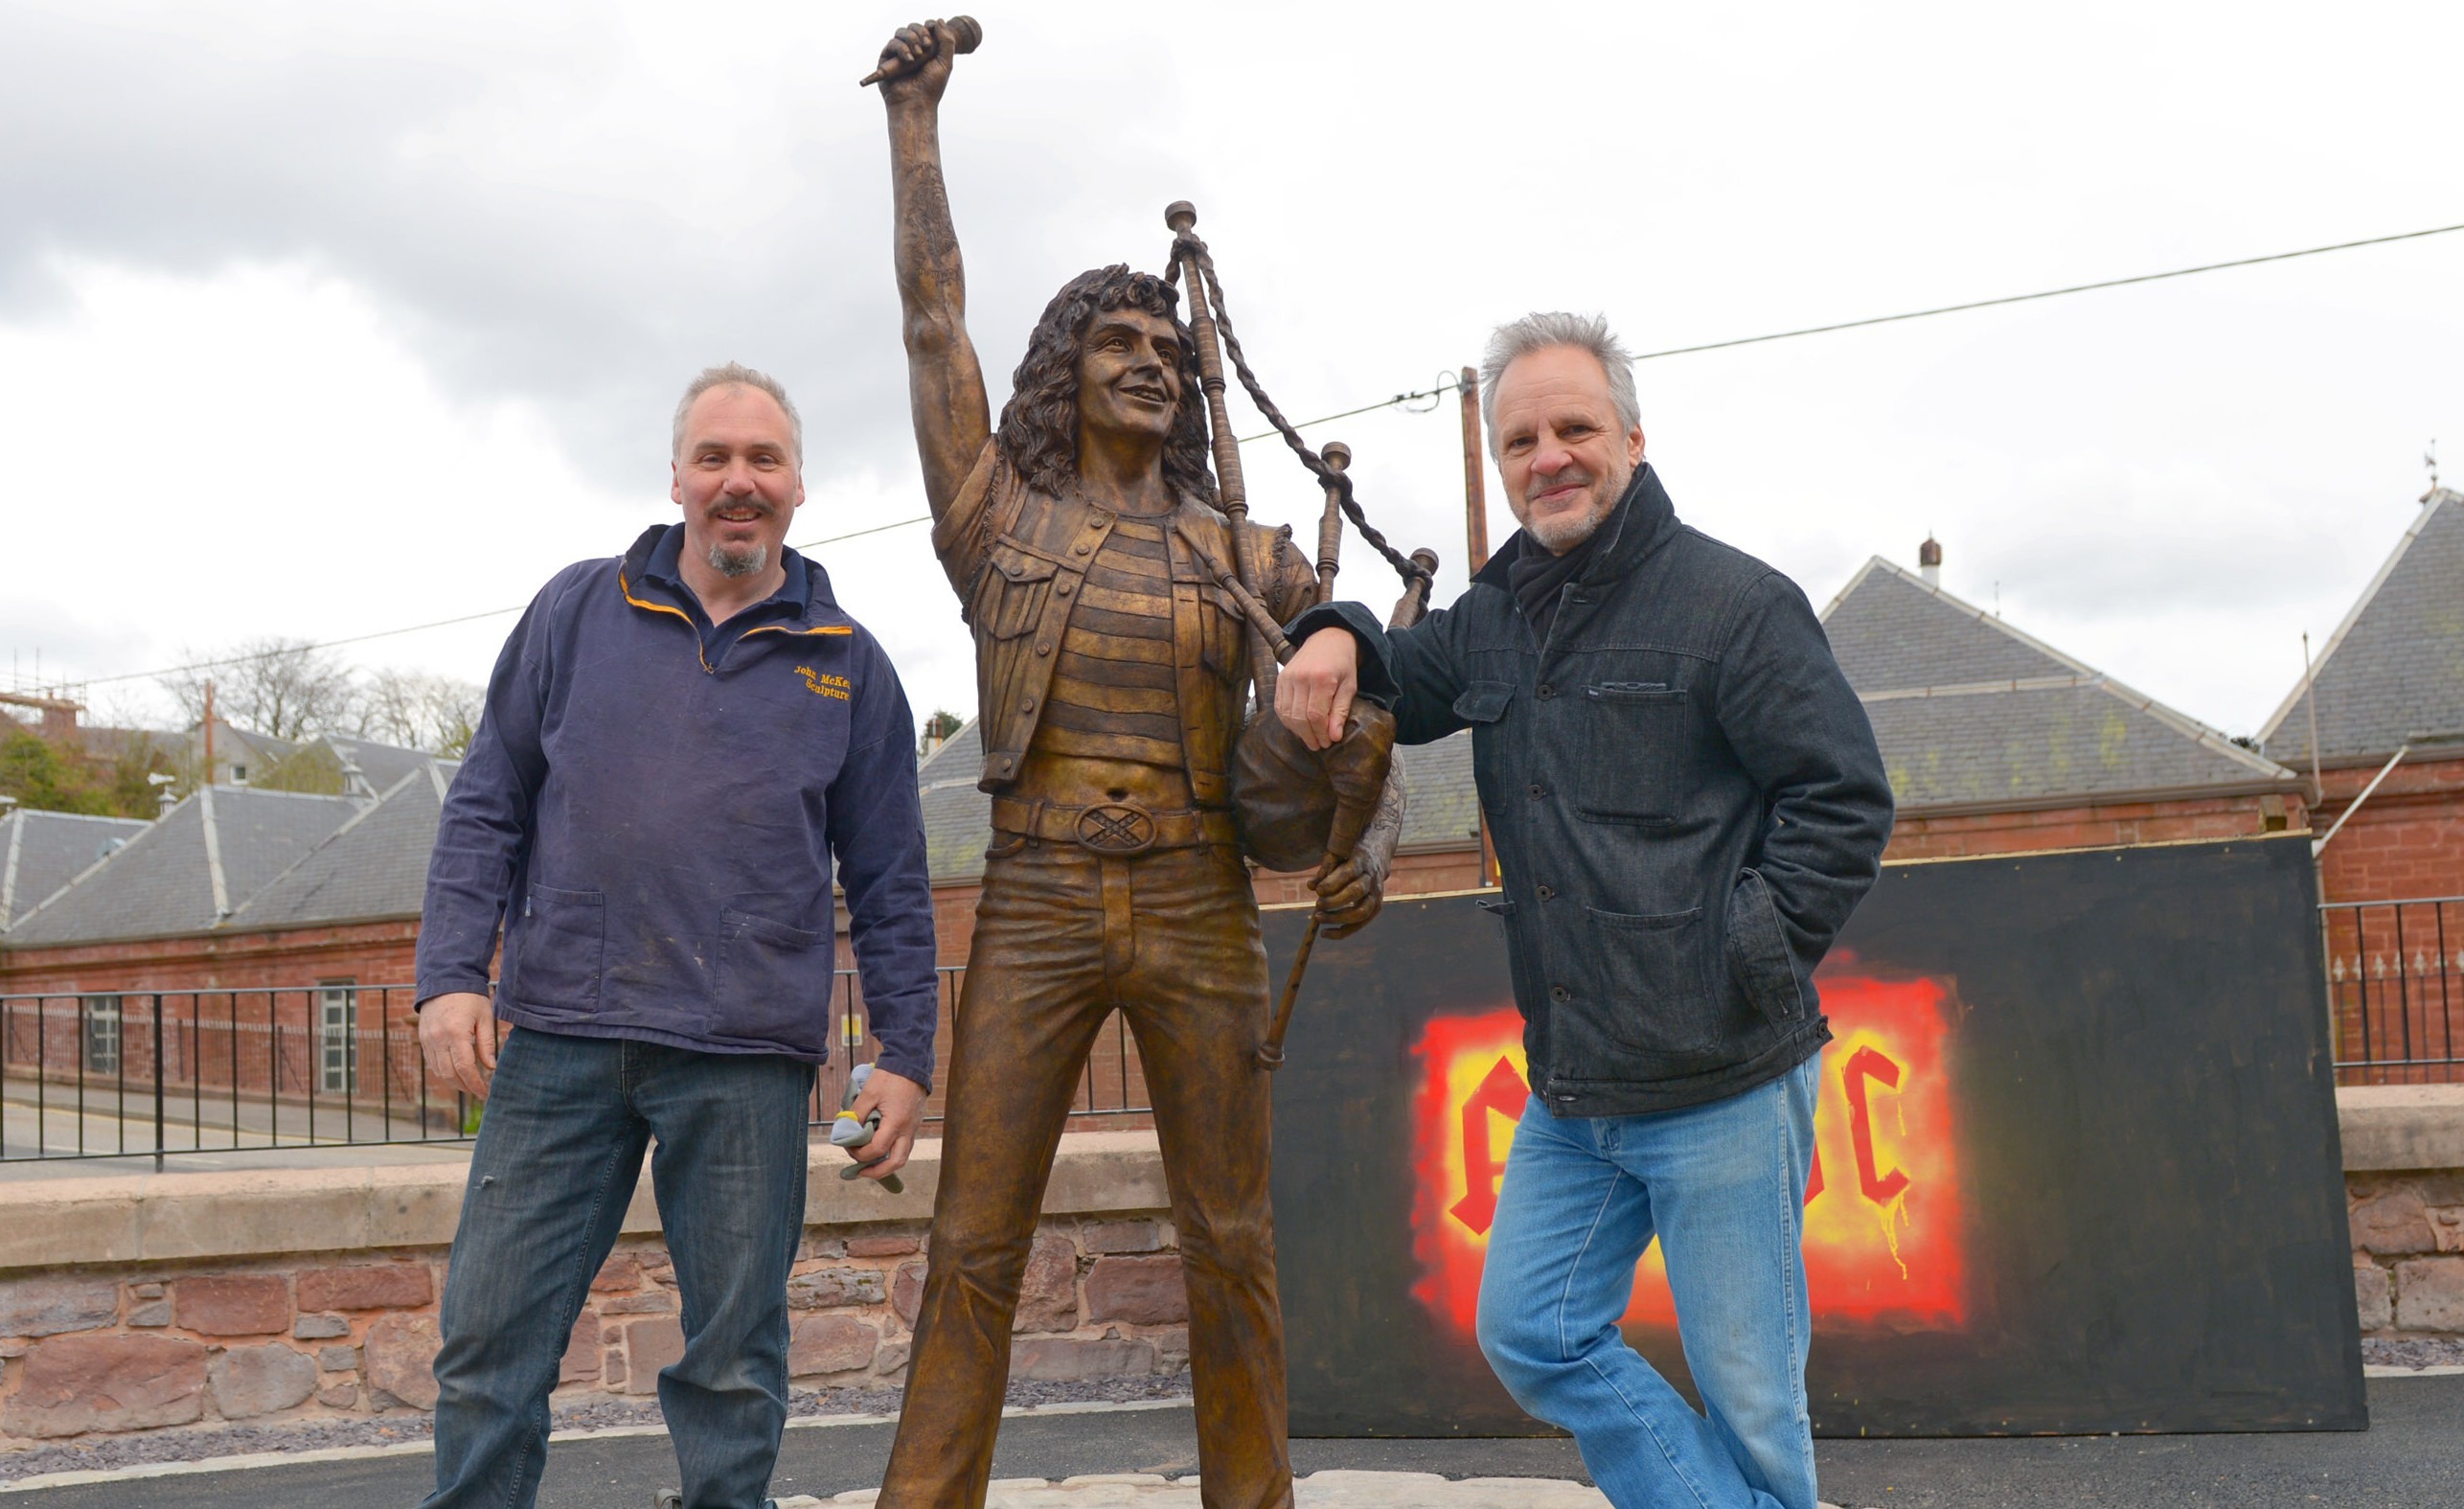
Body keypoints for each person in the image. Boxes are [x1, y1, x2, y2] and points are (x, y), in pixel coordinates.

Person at [865, 19, 1388, 1509]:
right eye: (1121, 343)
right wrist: (916, 128)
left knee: (1232, 1236)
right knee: (974, 1240)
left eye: (1169, 349)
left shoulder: (1243, 550)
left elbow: (1374, 688)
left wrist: (1366, 833)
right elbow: (929, 319)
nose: (1152, 363)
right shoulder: (994, 521)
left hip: (1199, 901)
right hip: (1032, 899)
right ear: (1065, 370)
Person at [1277, 313, 1893, 1509]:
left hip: (1722, 1075)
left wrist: (1736, 954)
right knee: (1534, 1333)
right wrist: (1329, 632)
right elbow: (1403, 675)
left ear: (1631, 437)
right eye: (1519, 440)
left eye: (1573, 429)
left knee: (1752, 1399)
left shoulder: (1734, 603)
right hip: (1574, 1089)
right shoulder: (1501, 612)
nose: (1546, 457)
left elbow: (1843, 798)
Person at [411, 364, 939, 1509]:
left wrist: (902, 1051)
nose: (737, 482)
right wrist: (452, 974)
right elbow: (489, 796)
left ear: (799, 485)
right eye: (715, 458)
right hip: (557, 1040)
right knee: (488, 1347)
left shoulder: (849, 665)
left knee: (734, 1367)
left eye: (762, 460)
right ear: (677, 477)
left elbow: (893, 877)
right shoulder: (578, 609)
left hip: (746, 1056)